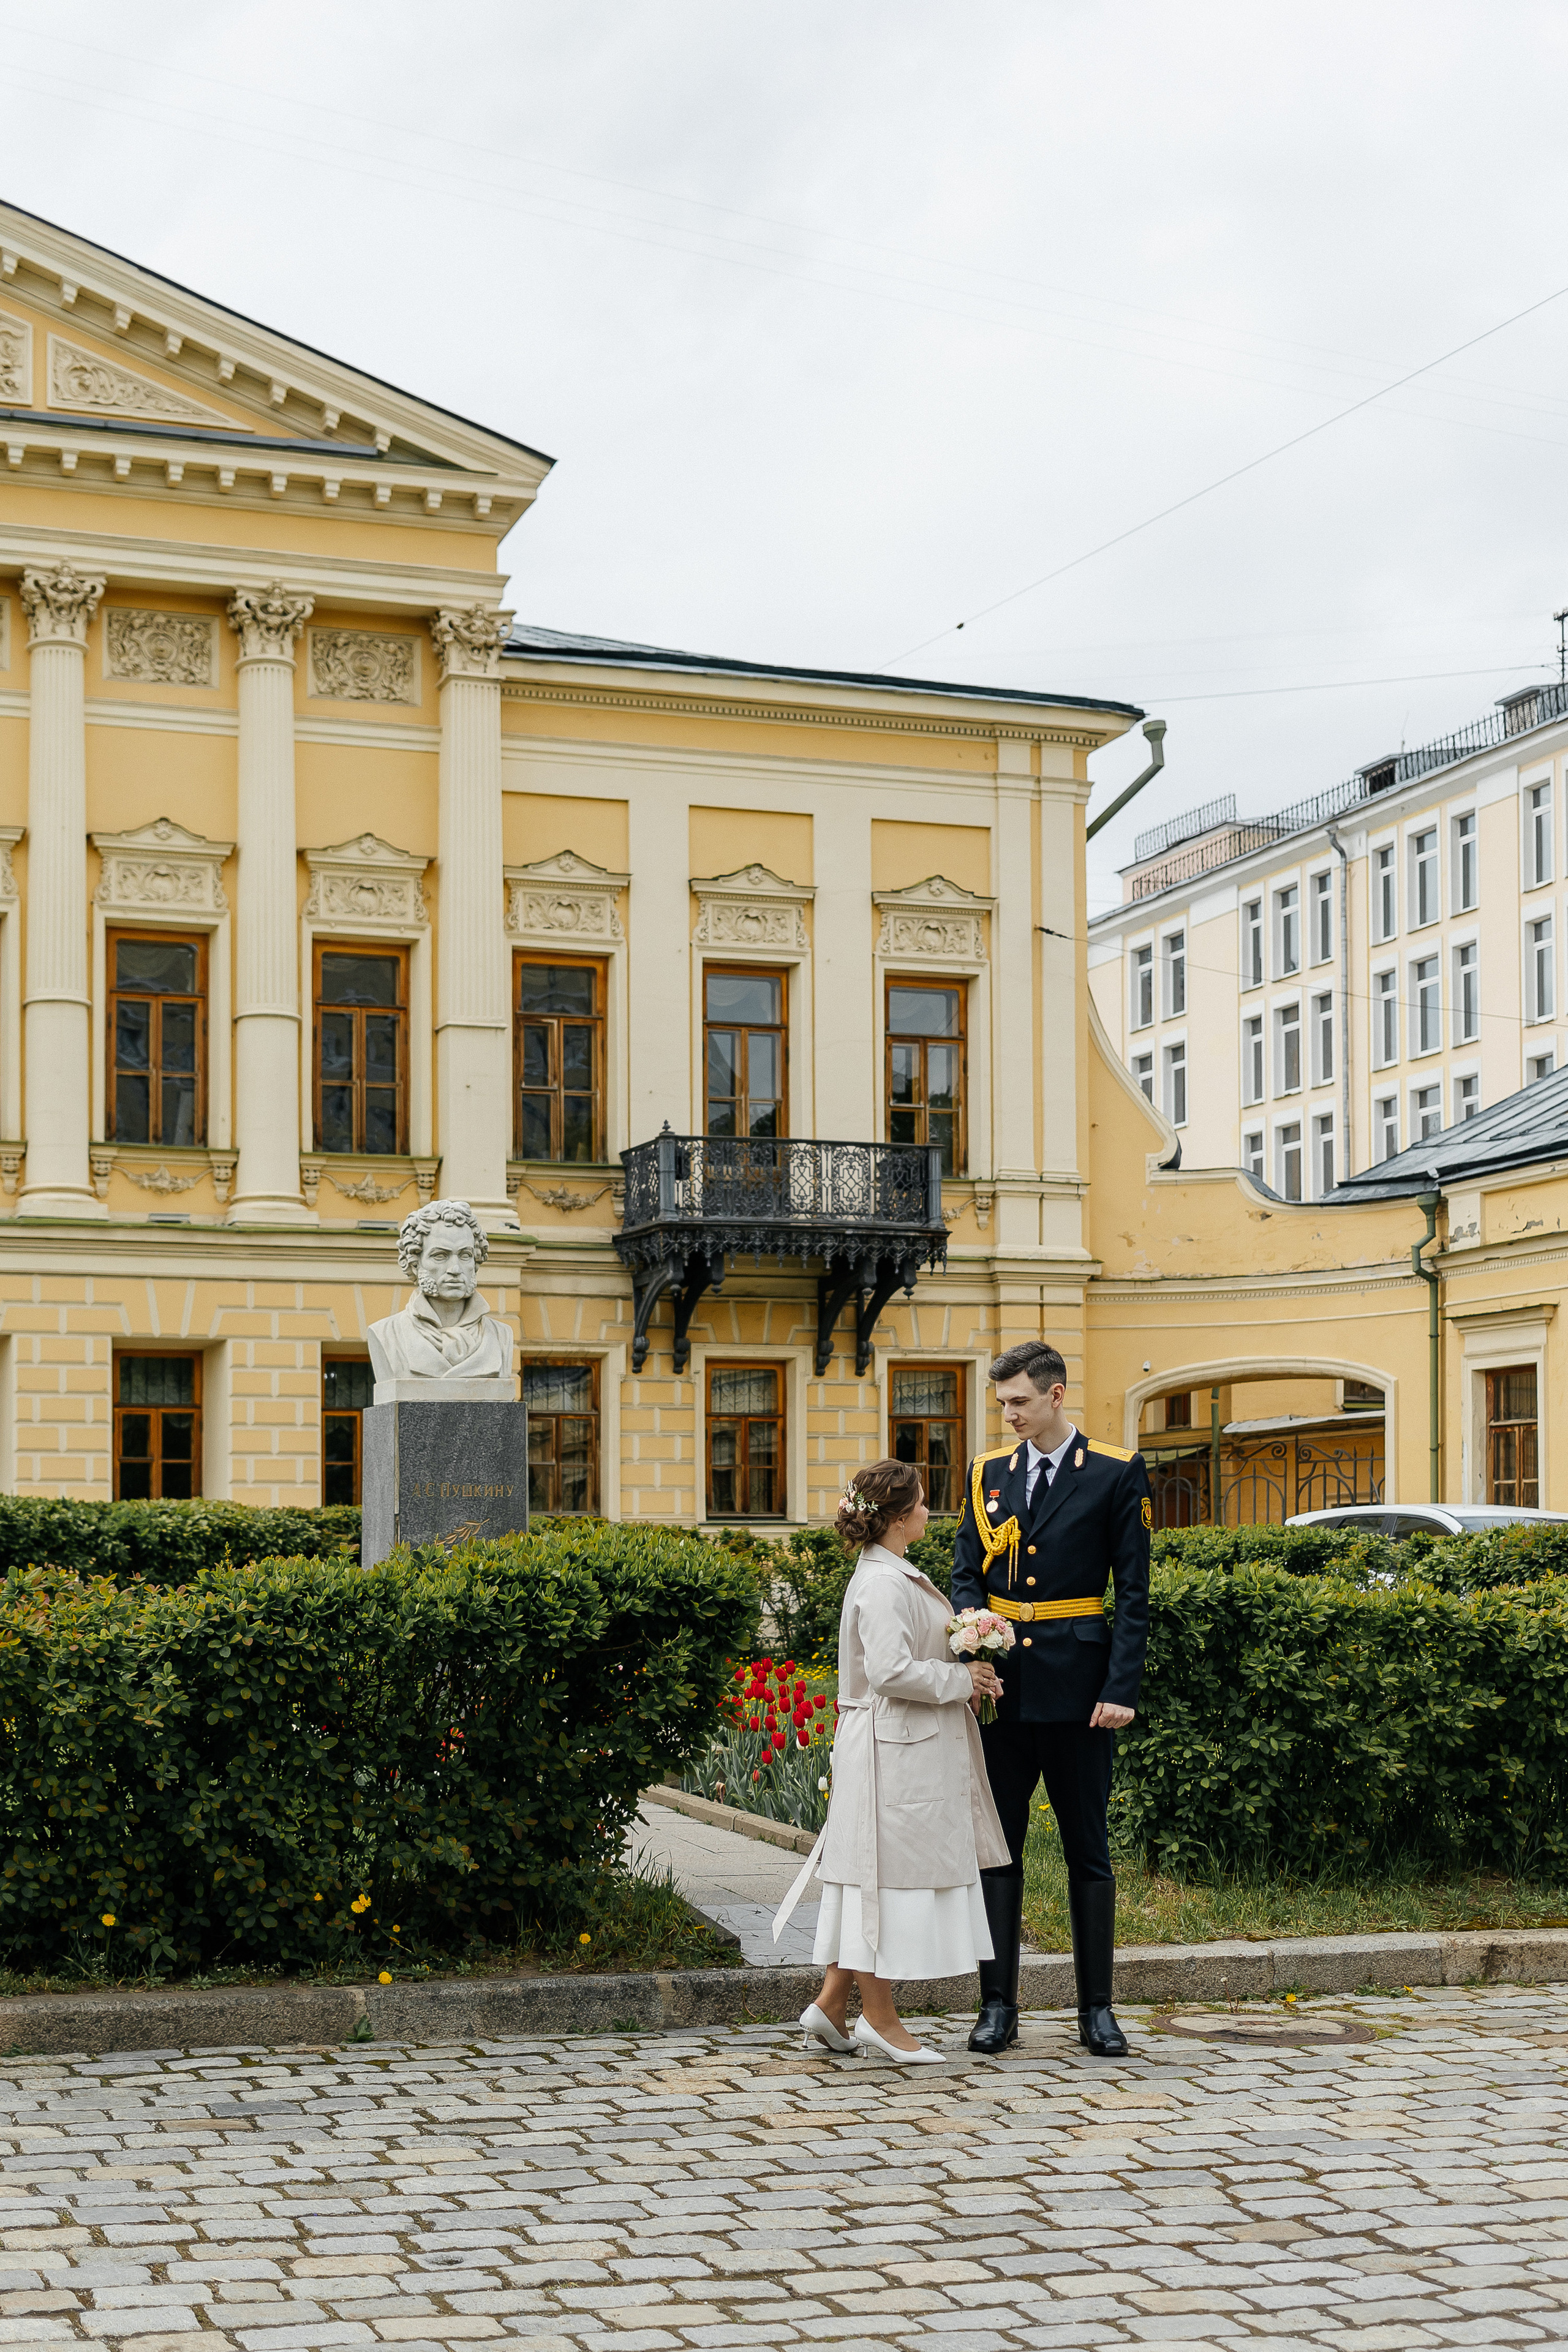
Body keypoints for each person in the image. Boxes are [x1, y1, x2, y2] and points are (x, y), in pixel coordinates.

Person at [951, 1340, 1151, 2059]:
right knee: (997, 1853)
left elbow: (1133, 1593)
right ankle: (996, 2005)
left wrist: (1119, 1689)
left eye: (1020, 1403)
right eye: (1002, 1403)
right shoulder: (986, 1475)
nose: (1008, 1416)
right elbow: (965, 1575)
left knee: (1086, 1852)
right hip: (1003, 1694)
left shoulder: (1114, 1471)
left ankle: (1096, 2009)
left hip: (1079, 1692)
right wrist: (975, 1652)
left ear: (1056, 1394)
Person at [792, 1457, 1010, 2065]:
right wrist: (958, 1676)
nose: (926, 1511)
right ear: (893, 1518)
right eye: (918, 1503)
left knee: (874, 1875)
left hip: (900, 1746)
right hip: (890, 1750)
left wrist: (965, 1654)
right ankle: (880, 2020)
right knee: (881, 1884)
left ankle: (832, 2005)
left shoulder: (890, 1572)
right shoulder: (884, 1583)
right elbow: (887, 1673)